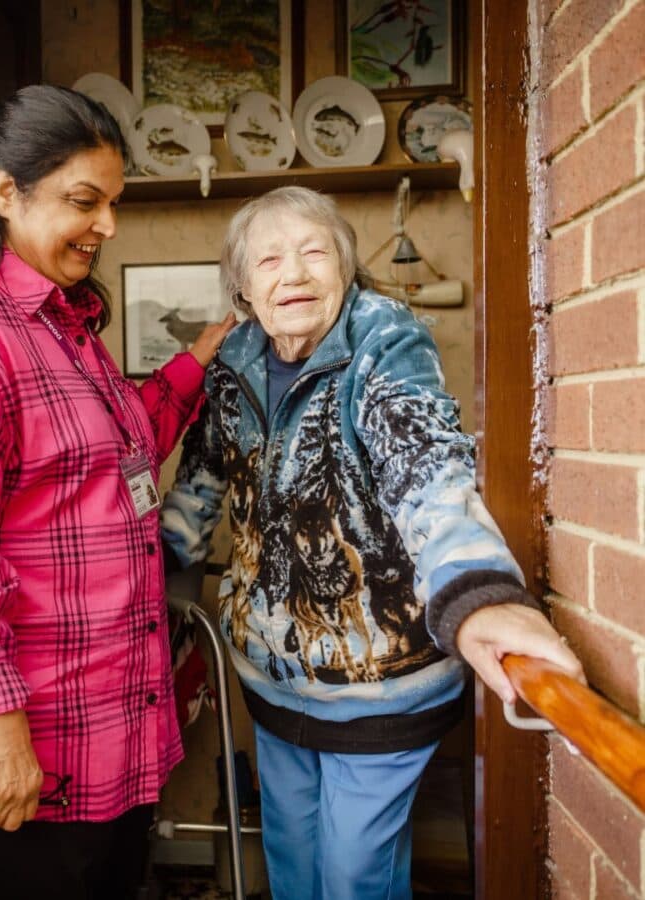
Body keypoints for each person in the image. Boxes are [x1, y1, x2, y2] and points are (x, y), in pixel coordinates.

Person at [0, 84, 234, 899]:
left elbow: (114, 452)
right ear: (6, 193)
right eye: (84, 201)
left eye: (112, 202)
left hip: (100, 725)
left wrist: (199, 358)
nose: (107, 224)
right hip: (16, 735)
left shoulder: (56, 323)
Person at [160, 186, 584, 900]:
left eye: (313, 252)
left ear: (345, 269)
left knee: (355, 876)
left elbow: (428, 468)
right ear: (243, 286)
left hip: (380, 678)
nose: (292, 273)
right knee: (293, 862)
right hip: (272, 673)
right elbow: (201, 482)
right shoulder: (233, 362)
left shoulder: (384, 342)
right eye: (269, 259)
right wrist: (147, 569)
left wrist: (481, 595)